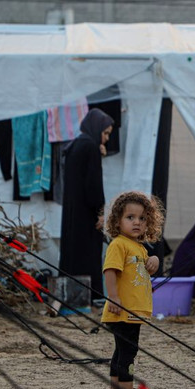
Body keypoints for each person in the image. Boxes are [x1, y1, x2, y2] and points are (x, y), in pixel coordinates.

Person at [101, 191, 164, 389]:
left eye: (142, 218)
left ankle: (115, 388)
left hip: (131, 310)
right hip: (122, 309)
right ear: (117, 221)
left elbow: (143, 272)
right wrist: (113, 297)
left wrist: (154, 260)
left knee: (121, 349)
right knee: (129, 350)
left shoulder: (139, 248)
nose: (137, 222)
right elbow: (110, 270)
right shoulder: (118, 244)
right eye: (130, 217)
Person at [59, 109, 115, 297]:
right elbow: (93, 184)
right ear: (96, 128)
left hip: (73, 212)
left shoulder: (76, 144)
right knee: (88, 255)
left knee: (73, 255)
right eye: (105, 133)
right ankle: (90, 297)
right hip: (86, 214)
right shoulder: (90, 147)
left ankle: (72, 296)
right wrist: (100, 212)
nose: (106, 138)